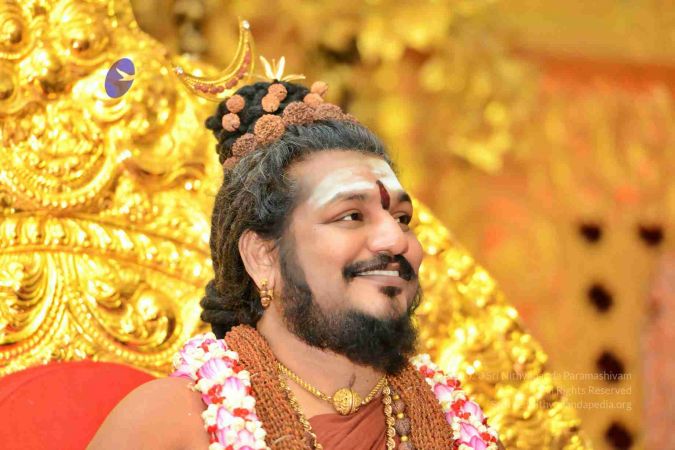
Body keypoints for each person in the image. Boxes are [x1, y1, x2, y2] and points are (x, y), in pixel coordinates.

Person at [88, 72, 504, 449]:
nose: (396, 240)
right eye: (351, 216)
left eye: (402, 218)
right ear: (262, 257)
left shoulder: (453, 422)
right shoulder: (171, 424)